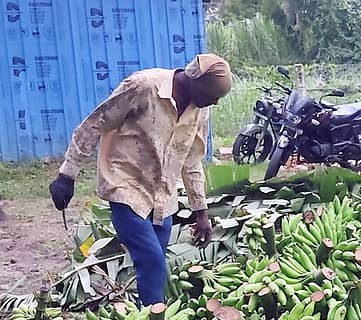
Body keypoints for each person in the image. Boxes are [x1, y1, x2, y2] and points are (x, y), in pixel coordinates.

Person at [48, 54, 233, 306]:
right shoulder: (144, 87)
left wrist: (201, 212)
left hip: (163, 197)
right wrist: (67, 175)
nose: (216, 102)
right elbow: (94, 124)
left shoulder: (200, 110)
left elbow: (191, 161)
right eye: (213, 95)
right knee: (152, 260)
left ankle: (144, 315)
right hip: (125, 184)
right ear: (195, 81)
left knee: (153, 268)